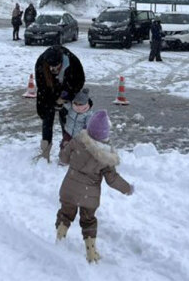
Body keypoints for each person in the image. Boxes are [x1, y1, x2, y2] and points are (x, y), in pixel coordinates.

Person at [55, 110, 133, 263]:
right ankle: (91, 253)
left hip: (69, 190)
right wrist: (127, 188)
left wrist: (66, 150)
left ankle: (60, 238)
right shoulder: (106, 157)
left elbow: (63, 158)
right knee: (88, 221)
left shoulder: (77, 141)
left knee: (65, 214)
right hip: (88, 197)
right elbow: (112, 179)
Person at [34, 45, 85, 162]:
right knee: (47, 120)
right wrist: (48, 106)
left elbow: (79, 81)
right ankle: (45, 152)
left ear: (62, 61)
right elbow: (42, 89)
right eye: (51, 68)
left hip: (67, 90)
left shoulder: (72, 62)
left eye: (56, 67)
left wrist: (65, 97)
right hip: (49, 92)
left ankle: (67, 150)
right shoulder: (41, 64)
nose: (54, 70)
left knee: (66, 120)